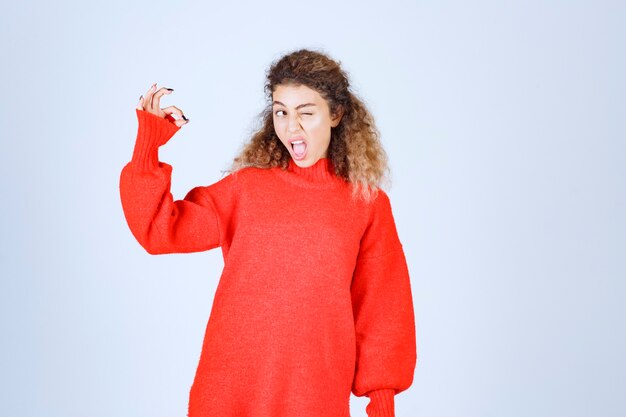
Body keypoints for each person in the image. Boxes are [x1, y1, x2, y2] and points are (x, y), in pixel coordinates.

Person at [119, 48, 417, 417]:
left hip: (314, 392)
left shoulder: (366, 203)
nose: (291, 127)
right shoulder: (246, 189)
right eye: (281, 112)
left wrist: (382, 399)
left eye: (306, 112)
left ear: (336, 114)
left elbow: (383, 307)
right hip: (229, 390)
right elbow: (159, 230)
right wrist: (149, 144)